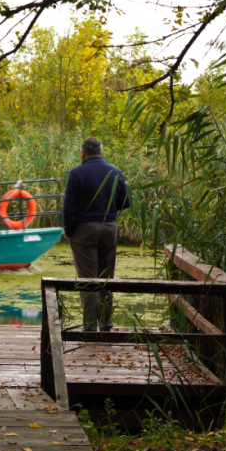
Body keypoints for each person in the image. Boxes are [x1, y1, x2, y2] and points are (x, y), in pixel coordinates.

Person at [63, 137, 131, 332]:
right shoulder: (115, 172)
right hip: (109, 228)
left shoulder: (76, 173)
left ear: (82, 153)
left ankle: (90, 328)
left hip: (84, 231)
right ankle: (106, 324)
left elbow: (68, 207)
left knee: (88, 279)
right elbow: (125, 202)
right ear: (102, 153)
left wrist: (69, 232)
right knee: (106, 277)